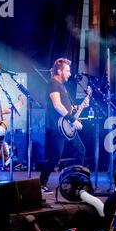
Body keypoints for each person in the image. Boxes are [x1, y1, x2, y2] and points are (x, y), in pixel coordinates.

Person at [39, 58, 88, 194]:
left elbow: (67, 107)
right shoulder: (53, 84)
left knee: (80, 150)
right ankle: (41, 183)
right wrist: (73, 120)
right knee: (55, 156)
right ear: (59, 71)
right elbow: (57, 105)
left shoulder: (61, 85)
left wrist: (80, 106)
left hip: (66, 126)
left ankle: (74, 182)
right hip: (58, 127)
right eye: (67, 70)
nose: (70, 73)